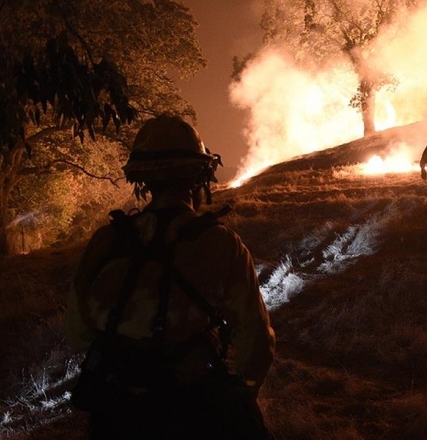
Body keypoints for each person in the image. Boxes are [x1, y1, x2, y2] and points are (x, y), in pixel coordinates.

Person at [64, 115, 275, 440]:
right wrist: (245, 392)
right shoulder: (221, 243)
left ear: (142, 179)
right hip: (191, 406)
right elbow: (255, 337)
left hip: (116, 409)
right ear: (199, 175)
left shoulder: (107, 240)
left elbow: (78, 329)